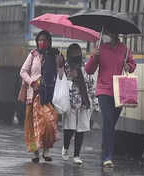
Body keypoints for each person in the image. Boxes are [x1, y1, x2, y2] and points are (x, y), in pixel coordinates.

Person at [85, 30, 136, 168]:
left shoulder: (124, 50)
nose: (111, 35)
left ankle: (106, 150)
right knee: (107, 119)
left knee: (111, 123)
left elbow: (132, 65)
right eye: (109, 32)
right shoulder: (101, 49)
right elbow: (89, 70)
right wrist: (93, 56)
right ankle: (108, 156)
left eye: (113, 33)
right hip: (104, 90)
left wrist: (128, 66)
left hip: (119, 91)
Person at [20, 30, 62, 163]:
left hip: (48, 95)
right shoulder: (33, 54)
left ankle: (47, 150)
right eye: (40, 40)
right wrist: (32, 82)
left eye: (45, 40)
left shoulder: (55, 54)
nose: (42, 42)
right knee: (32, 125)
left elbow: (62, 71)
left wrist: (60, 61)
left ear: (49, 42)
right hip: (33, 95)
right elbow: (23, 71)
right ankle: (35, 152)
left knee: (49, 122)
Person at [61, 43, 96, 165]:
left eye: (78, 52)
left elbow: (91, 84)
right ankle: (65, 148)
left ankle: (76, 155)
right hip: (70, 102)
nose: (76, 54)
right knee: (69, 128)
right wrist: (70, 76)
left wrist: (93, 101)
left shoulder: (85, 67)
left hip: (84, 102)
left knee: (80, 129)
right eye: (73, 52)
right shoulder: (65, 67)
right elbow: (61, 81)